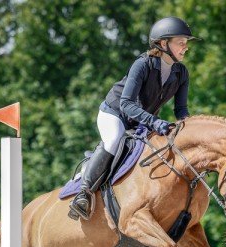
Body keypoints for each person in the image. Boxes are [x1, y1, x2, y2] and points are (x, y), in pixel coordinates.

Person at [68, 16, 200, 221]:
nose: (186, 48)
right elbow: (126, 104)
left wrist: (190, 130)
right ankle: (83, 193)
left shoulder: (181, 72)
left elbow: (181, 109)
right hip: (115, 113)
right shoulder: (142, 64)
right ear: (164, 44)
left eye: (186, 43)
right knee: (114, 140)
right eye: (181, 43)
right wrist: (155, 122)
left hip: (142, 120)